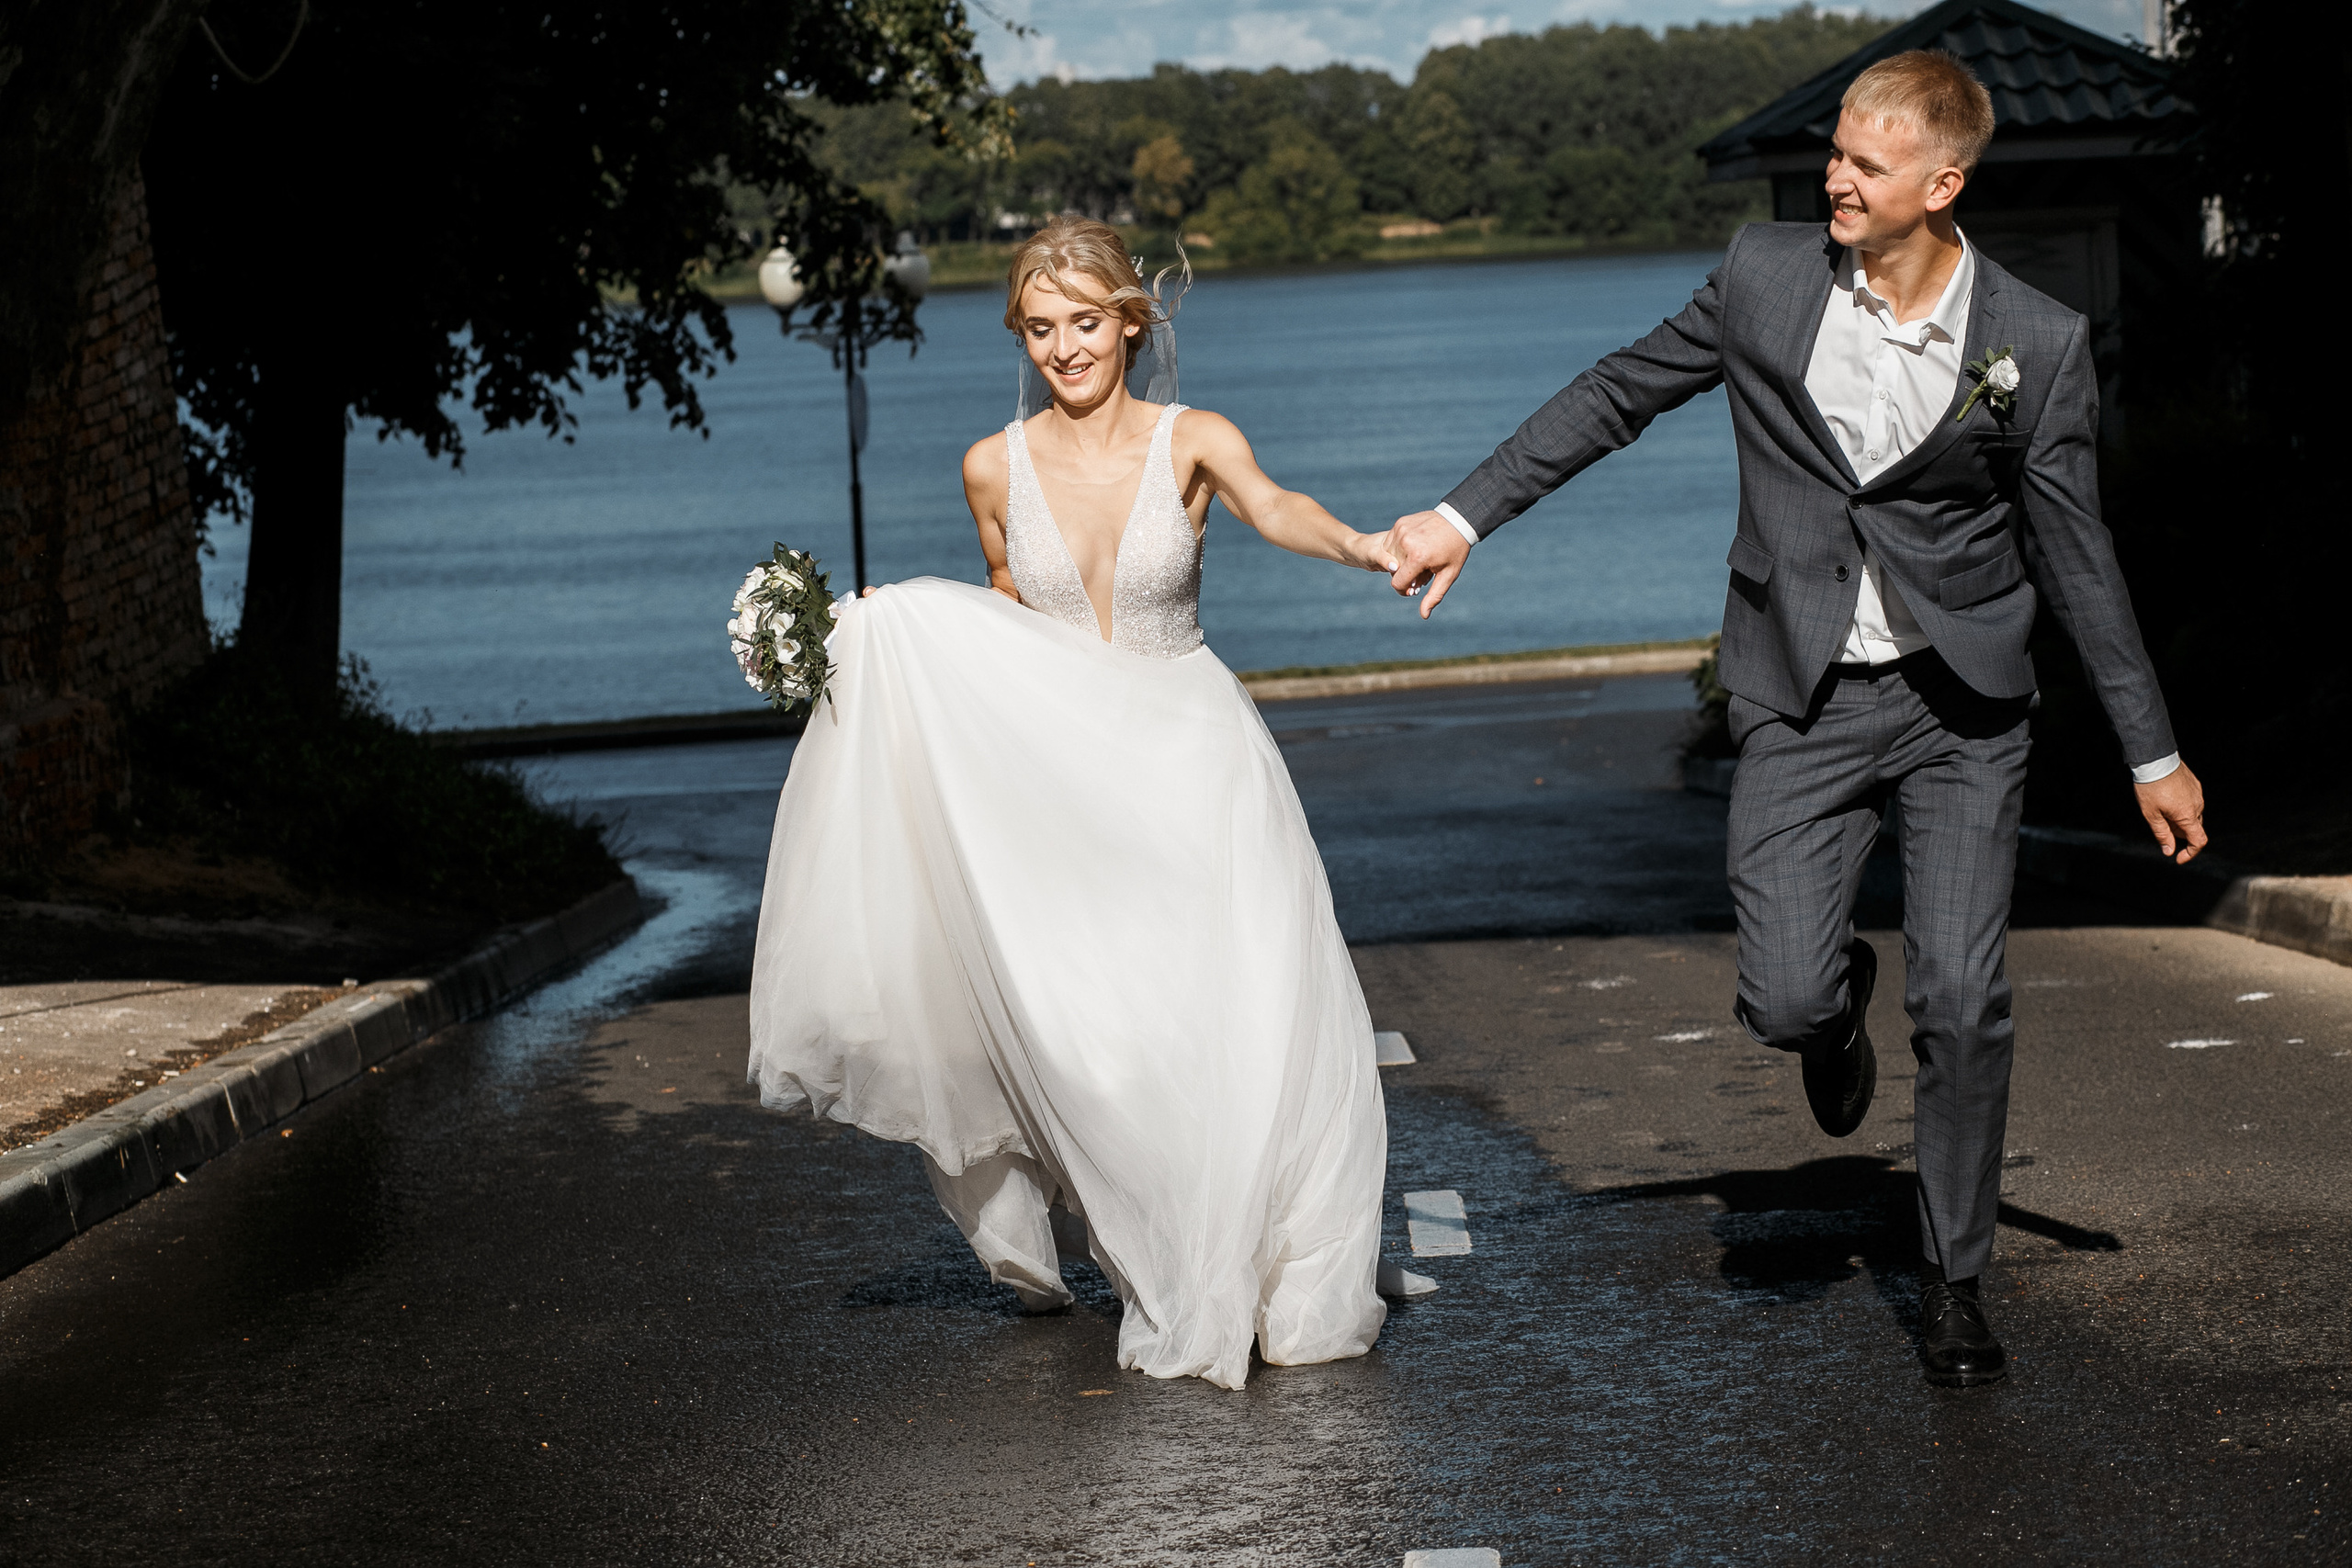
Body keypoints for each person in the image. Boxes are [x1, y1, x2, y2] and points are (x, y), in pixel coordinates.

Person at [1381, 51, 2207, 1388]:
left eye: (1865, 164)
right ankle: (1833, 1016)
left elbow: (2079, 554)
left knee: (1965, 993)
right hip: (1801, 691)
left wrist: (2151, 751)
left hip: (1964, 709)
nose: (1834, 176)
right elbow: (1617, 393)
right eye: (1833, 152)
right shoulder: (1763, 278)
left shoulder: (2034, 344)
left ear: (1943, 184)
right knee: (1781, 995)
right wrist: (1461, 514)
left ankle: (1953, 1275)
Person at [748, 217, 1412, 1391]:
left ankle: (1266, 1257)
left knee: (1237, 1008)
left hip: (1197, 758)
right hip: (1067, 772)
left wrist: (1363, 546)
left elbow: (1275, 506)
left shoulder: (1194, 439)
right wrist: (865, 639)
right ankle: (1165, 1241)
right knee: (1104, 1028)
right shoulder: (990, 466)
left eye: (1086, 323)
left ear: (1130, 322)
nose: (1065, 348)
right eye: (1041, 328)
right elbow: (1005, 612)